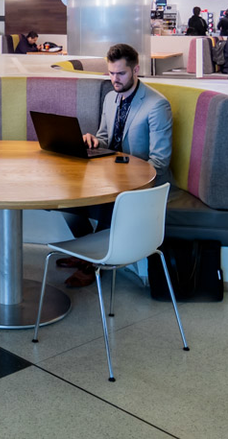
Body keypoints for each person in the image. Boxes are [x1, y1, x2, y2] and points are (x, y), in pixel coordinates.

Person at [64, 43, 172, 287]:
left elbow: (160, 162)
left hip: (143, 184)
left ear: (136, 70)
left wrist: (123, 178)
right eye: (111, 73)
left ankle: (93, 262)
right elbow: (105, 137)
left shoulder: (156, 105)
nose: (115, 79)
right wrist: (93, 140)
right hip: (110, 175)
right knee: (68, 199)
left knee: (111, 201)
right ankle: (87, 254)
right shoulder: (111, 97)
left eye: (121, 73)